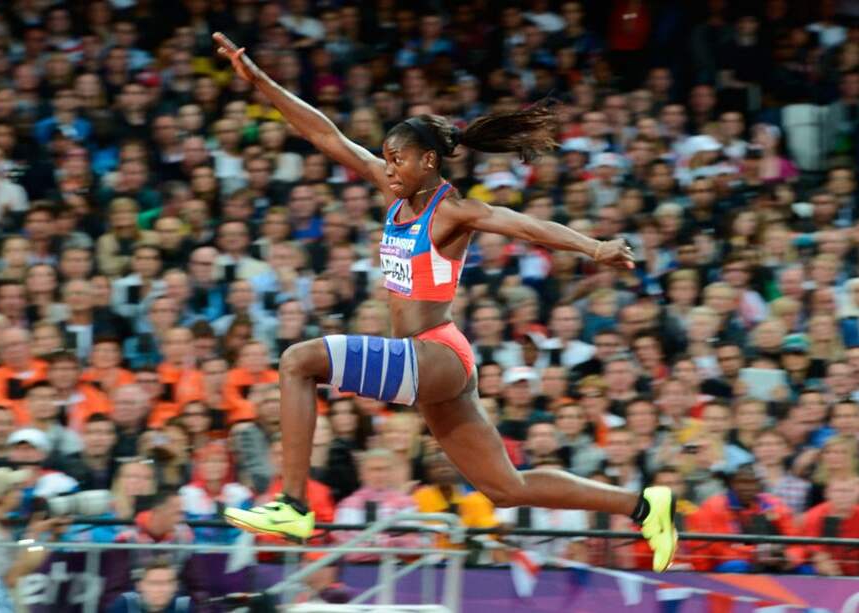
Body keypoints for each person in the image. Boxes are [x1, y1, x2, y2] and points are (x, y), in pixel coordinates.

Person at [215, 32, 676, 572]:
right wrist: (260, 81)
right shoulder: (394, 193)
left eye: (397, 160)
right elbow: (325, 133)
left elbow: (526, 225)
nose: (388, 168)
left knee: (298, 360)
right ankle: (644, 505)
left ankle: (294, 506)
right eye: (386, 159)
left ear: (428, 159)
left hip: (437, 354)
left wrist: (594, 247)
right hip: (432, 364)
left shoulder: (451, 210)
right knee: (505, 488)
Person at [106, 558, 192, 613]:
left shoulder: (183, 606)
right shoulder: (125, 604)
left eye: (167, 583)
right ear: (140, 586)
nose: (161, 589)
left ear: (175, 586)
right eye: (154, 583)